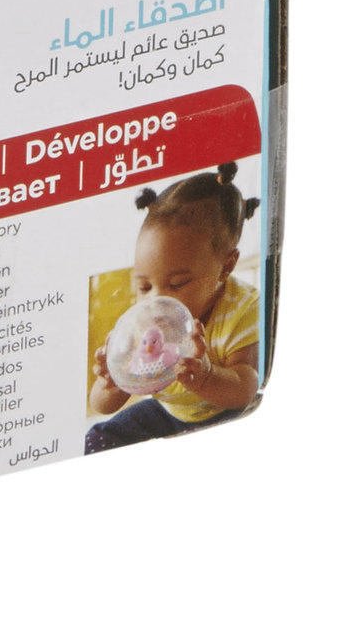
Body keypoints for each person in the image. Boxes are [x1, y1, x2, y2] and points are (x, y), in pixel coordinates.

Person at [86, 163, 260, 452]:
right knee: (99, 437)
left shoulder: (242, 310)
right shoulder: (145, 322)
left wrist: (206, 377)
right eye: (145, 287)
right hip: (169, 414)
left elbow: (246, 389)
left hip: (228, 415)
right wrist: (111, 382)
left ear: (226, 266)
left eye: (177, 283)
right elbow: (102, 405)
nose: (156, 301)